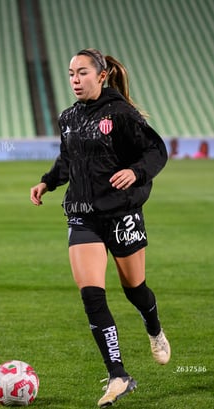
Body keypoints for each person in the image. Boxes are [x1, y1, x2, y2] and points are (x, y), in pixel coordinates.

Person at [30, 48, 171, 408]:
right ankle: (118, 375)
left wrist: (136, 172)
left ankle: (154, 329)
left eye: (82, 73)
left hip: (122, 214)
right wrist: (48, 182)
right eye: (71, 74)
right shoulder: (69, 118)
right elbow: (68, 159)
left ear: (102, 75)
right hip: (82, 215)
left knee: (134, 289)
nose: (75, 80)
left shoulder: (122, 114)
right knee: (92, 295)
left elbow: (156, 152)